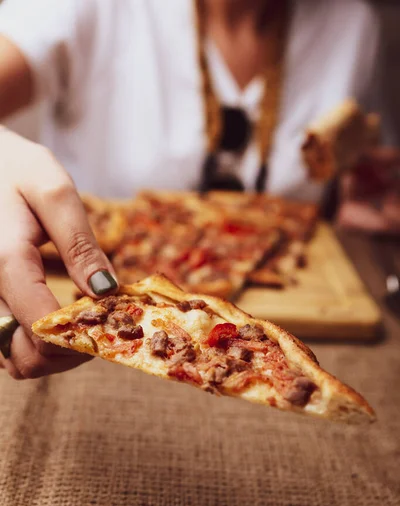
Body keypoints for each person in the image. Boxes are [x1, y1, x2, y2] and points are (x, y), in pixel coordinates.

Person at [0, 0, 397, 380]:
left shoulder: (356, 26)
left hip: (297, 341)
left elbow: (358, 173)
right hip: (102, 343)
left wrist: (366, 194)